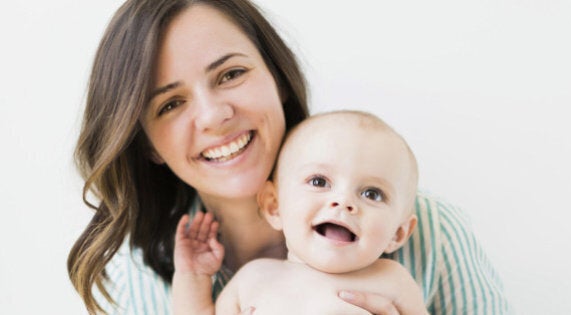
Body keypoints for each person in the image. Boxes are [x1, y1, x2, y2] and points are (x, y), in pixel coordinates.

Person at [67, 0, 510, 314]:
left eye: (231, 74)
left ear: (277, 77)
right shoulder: (145, 278)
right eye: (169, 104)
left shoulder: (428, 233)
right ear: (146, 144)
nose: (214, 115)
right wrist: (193, 282)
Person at [174, 110, 427, 314]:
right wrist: (192, 277)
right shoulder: (255, 278)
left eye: (372, 194)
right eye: (319, 182)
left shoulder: (394, 281)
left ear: (398, 233)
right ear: (274, 206)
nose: (344, 202)